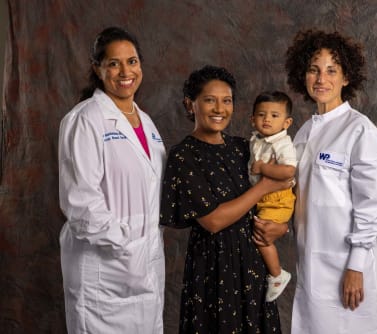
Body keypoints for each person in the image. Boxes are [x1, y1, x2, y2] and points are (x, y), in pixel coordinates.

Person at [160, 65, 290, 333]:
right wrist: (263, 186)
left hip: (254, 266)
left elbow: (283, 189)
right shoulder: (184, 155)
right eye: (210, 100)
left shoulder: (244, 148)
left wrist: (281, 227)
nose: (219, 109)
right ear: (190, 104)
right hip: (213, 271)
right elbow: (213, 220)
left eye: (227, 101)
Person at [285, 29, 377, 333]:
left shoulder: (360, 131)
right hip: (312, 264)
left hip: (350, 267)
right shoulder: (303, 133)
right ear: (303, 76)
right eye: (313, 70)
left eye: (332, 70)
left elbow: (373, 206)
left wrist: (356, 266)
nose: (321, 79)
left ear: (346, 78)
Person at [58, 27, 166, 334]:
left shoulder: (145, 122)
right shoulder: (85, 119)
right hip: (104, 273)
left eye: (131, 61)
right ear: (97, 69)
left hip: (145, 271)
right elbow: (81, 204)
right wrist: (126, 244)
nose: (125, 71)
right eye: (114, 63)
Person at [248, 91, 297, 302]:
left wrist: (263, 167)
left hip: (278, 199)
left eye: (275, 116)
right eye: (261, 114)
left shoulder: (282, 143)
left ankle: (277, 275)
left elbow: (288, 171)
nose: (267, 119)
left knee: (261, 236)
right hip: (264, 196)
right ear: (252, 119)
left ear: (287, 122)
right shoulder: (256, 139)